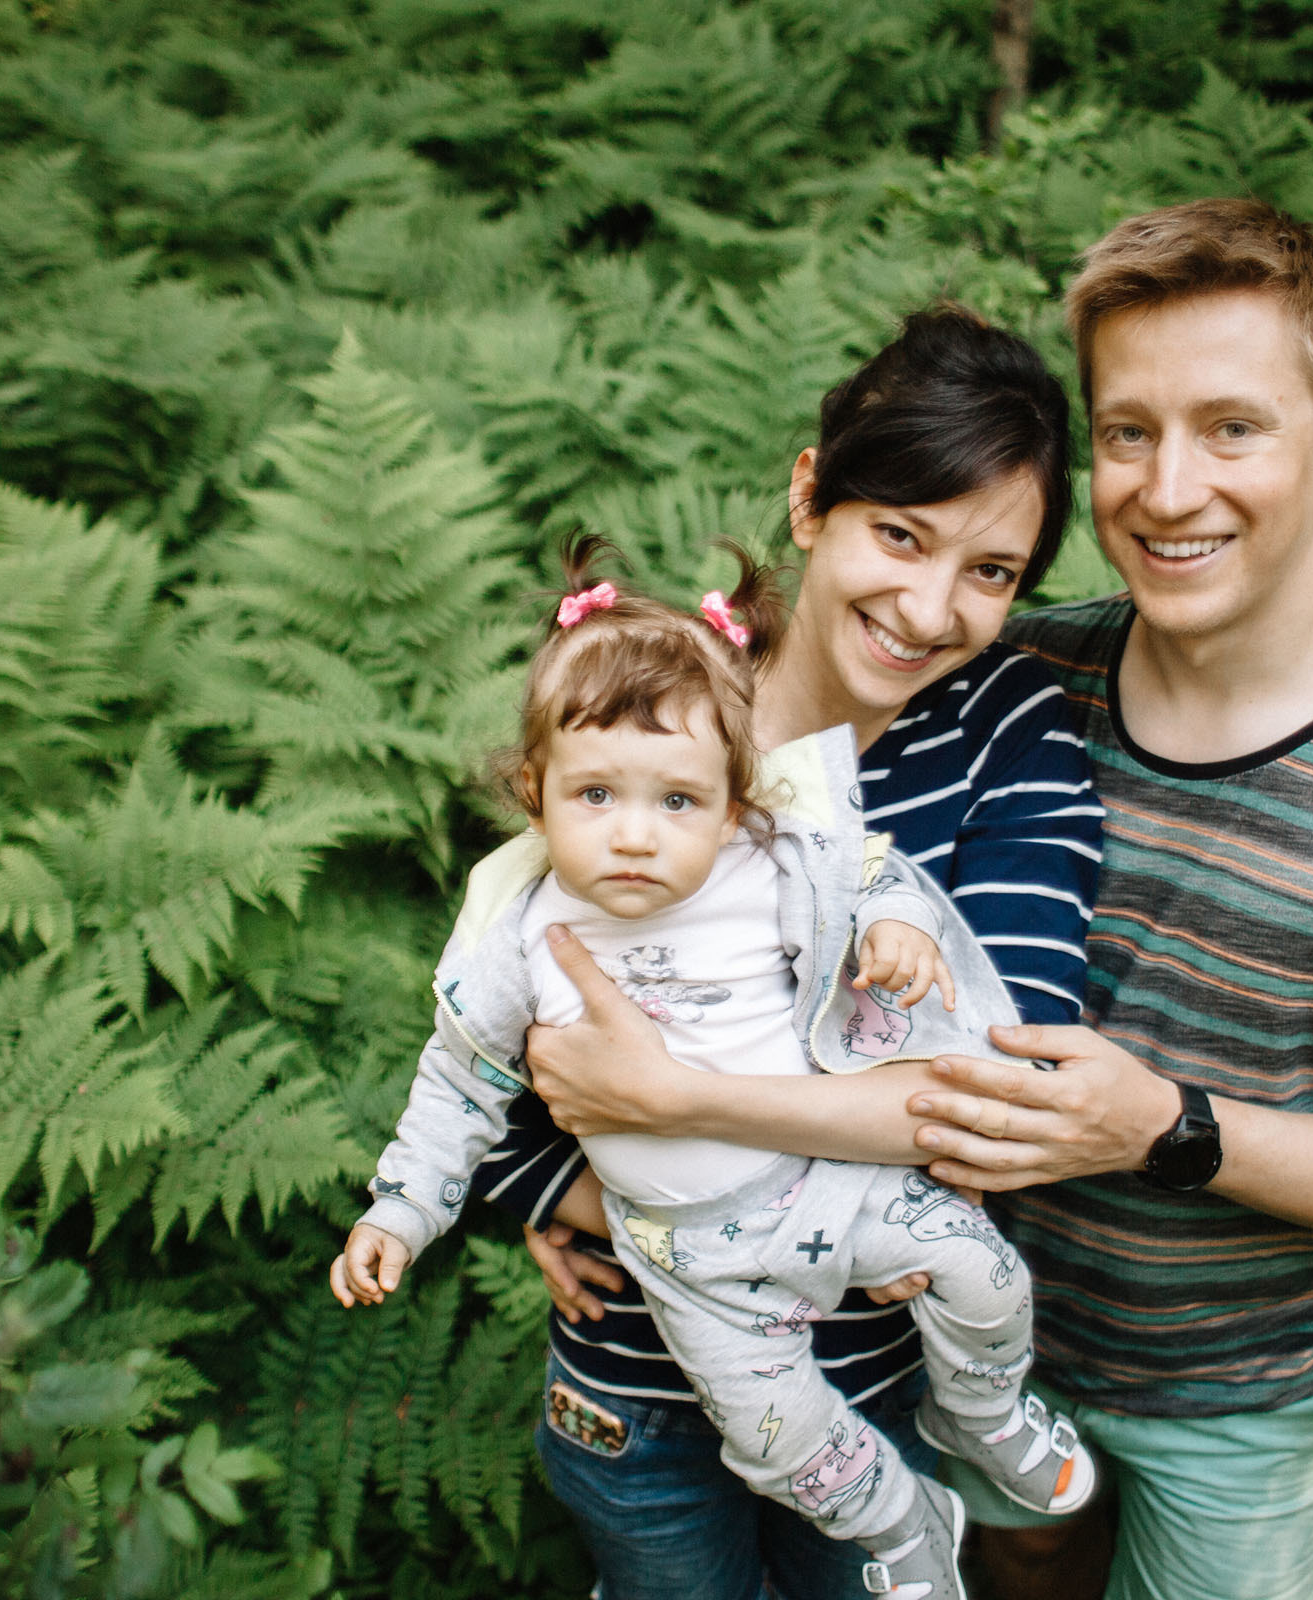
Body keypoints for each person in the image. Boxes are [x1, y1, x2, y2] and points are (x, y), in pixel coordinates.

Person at [887, 198, 1313, 1600]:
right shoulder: (1012, 683)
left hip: (1234, 1399)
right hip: (951, 1336)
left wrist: (1165, 1130)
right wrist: (603, 1169)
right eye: (1128, 431)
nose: (1167, 487)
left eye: (1232, 428)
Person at [474, 306, 1106, 1600]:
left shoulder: (1006, 732)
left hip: (873, 1390)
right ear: (811, 496)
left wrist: (667, 1107)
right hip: (629, 1388)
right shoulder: (650, 702)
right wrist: (553, 1184)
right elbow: (497, 1015)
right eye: (900, 534)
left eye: (991, 572)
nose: (931, 609)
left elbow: (993, 1100)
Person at [331, 543, 1095, 1600]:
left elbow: (873, 873)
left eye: (677, 801)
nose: (635, 835)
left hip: (835, 1187)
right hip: (689, 1260)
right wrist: (400, 1213)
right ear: (534, 792)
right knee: (785, 1440)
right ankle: (908, 1525)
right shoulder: (519, 935)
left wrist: (901, 929)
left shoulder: (770, 864)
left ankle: (980, 1410)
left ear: (732, 804)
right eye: (595, 793)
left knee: (984, 1272)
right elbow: (461, 1085)